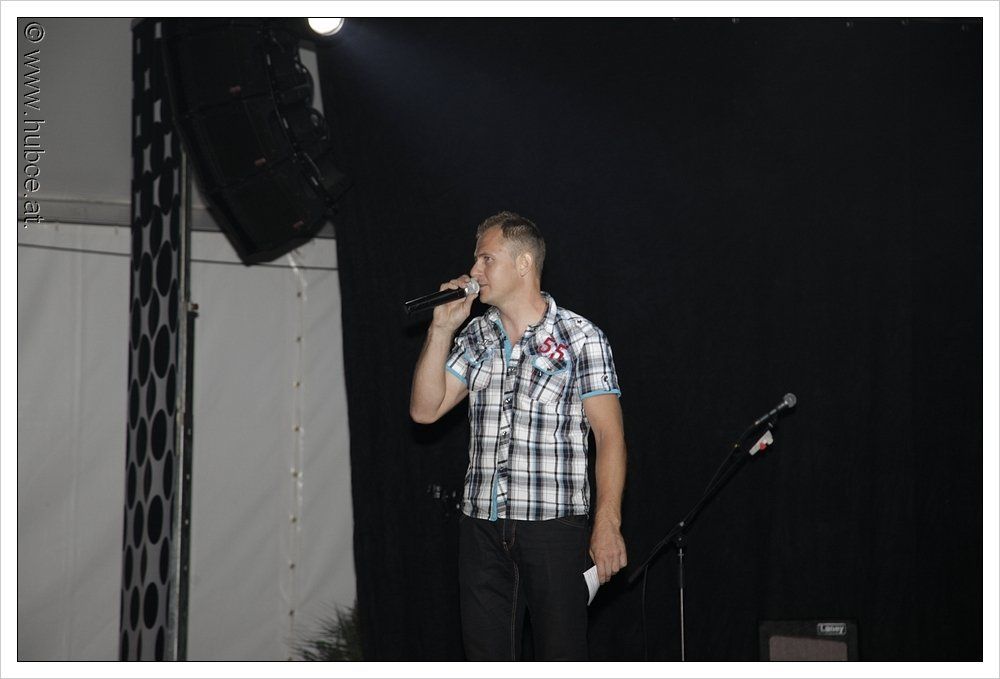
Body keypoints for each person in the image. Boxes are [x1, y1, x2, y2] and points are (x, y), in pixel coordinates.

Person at [409, 211, 628, 661]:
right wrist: (441, 328)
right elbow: (424, 411)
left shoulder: (580, 337)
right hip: (481, 527)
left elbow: (609, 437)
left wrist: (608, 523)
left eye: (486, 259)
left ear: (524, 263)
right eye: (476, 260)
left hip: (553, 527)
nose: (474, 270)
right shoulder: (477, 336)